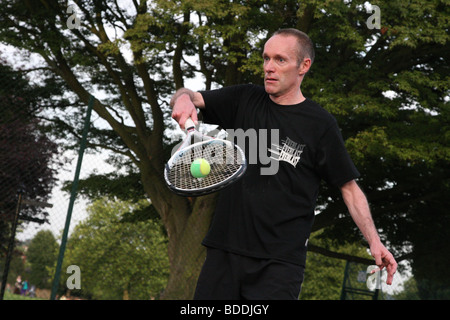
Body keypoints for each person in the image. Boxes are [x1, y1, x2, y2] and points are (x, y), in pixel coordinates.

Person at [170, 28, 397, 300]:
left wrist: (374, 241)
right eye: (266, 58)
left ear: (304, 66)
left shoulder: (320, 124)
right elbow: (190, 96)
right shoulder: (244, 99)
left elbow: (348, 187)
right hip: (224, 253)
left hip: (279, 264)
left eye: (280, 60)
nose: (269, 67)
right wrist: (182, 99)